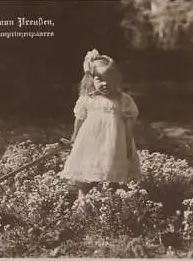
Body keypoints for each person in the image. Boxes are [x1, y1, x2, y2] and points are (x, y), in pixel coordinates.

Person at [60, 49, 142, 212]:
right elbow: (80, 118)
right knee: (87, 171)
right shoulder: (88, 99)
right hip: (90, 142)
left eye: (109, 80)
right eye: (100, 79)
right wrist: (74, 137)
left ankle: (108, 207)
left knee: (111, 172)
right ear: (91, 80)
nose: (105, 84)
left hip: (114, 144)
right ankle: (83, 203)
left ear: (116, 80)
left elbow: (129, 123)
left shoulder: (122, 100)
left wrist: (127, 143)